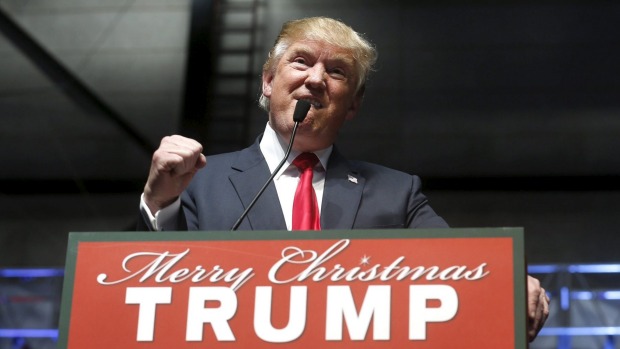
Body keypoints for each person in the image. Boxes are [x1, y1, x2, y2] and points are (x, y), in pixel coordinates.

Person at [138, 16, 549, 341]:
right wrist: (159, 202)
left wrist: (507, 284)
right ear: (268, 81)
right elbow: (158, 293)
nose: (316, 79)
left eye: (336, 71)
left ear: (353, 104)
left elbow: (456, 267)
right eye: (301, 61)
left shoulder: (396, 193)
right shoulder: (200, 180)